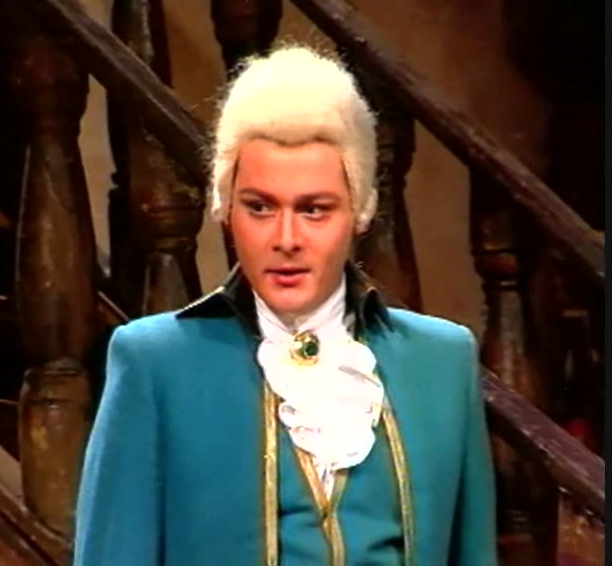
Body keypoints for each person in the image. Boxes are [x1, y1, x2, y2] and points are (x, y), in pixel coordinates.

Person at [73, 45, 497, 565]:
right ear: (226, 209)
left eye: (314, 210)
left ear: (359, 212)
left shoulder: (442, 363)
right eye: (260, 208)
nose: (286, 239)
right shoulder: (156, 363)